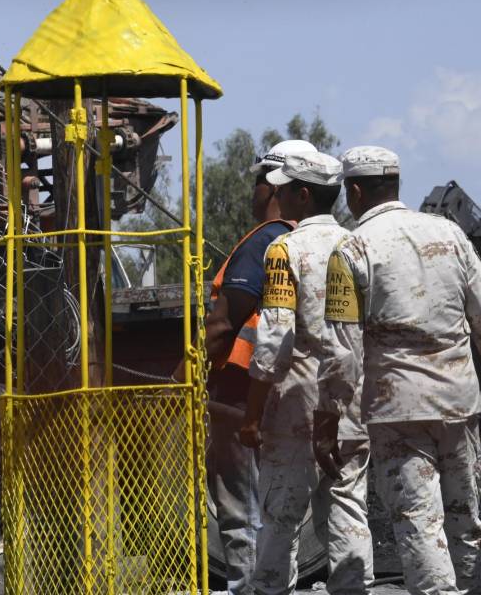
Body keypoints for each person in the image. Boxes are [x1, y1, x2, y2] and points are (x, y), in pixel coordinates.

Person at [315, 146, 481, 595]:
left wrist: (329, 415)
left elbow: (342, 347)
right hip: (460, 399)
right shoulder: (450, 235)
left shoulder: (350, 249)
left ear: (353, 191)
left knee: (419, 520)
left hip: (397, 407)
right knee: (465, 516)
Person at [173, 140, 315, 595]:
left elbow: (223, 323)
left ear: (271, 185)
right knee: (283, 504)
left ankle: (248, 586)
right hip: (303, 390)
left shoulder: (263, 241)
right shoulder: (319, 243)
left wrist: (181, 380)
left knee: (241, 504)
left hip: (240, 388)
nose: (251, 193)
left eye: (256, 182)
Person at [238, 152, 373, 594]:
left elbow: (274, 341)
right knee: (347, 507)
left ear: (302, 194)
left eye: (282, 187)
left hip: (296, 401)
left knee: (281, 516)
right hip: (350, 398)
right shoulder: (358, 245)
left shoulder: (285, 250)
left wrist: (253, 416)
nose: (274, 194)